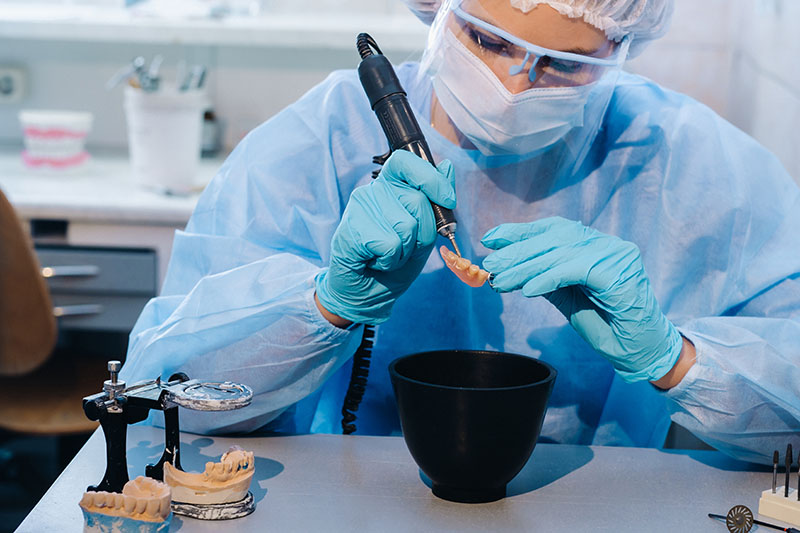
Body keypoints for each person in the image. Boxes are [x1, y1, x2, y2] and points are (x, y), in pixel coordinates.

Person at [119, 0, 800, 465]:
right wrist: (326, 305)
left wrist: (675, 359)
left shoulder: (690, 163)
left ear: (622, 49)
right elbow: (166, 397)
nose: (511, 84)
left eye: (561, 65)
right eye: (488, 39)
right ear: (438, 10)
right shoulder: (323, 139)